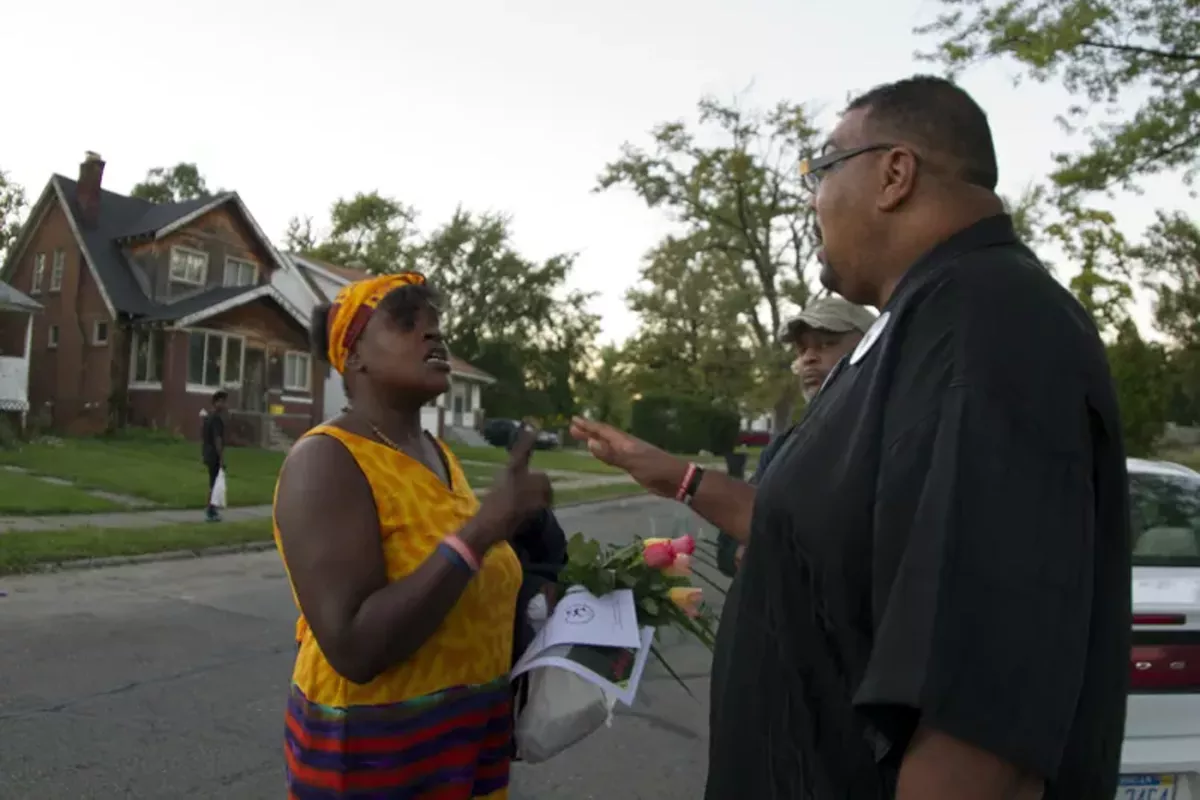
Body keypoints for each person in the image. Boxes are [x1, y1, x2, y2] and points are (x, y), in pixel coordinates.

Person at [571, 75, 1129, 799]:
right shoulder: (916, 324)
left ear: (895, 174)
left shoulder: (991, 323)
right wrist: (672, 474)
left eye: (822, 168)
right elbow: (815, 536)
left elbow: (979, 713)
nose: (812, 198)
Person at [272, 272, 552, 799]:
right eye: (406, 323)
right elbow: (354, 648)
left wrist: (556, 597)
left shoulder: (438, 454)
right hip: (373, 763)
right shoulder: (326, 459)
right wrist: (482, 531)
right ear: (354, 356)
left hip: (466, 753)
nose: (433, 334)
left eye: (436, 323)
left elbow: (464, 589)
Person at [718, 295, 877, 575]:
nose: (808, 358)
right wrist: (741, 553)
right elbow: (728, 542)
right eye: (802, 349)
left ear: (872, 347)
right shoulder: (783, 446)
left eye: (826, 344)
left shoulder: (891, 437)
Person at [200, 390, 227, 522]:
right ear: (215, 402)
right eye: (221, 402)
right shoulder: (216, 419)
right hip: (214, 455)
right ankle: (211, 510)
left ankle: (211, 509)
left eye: (224, 402)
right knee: (214, 484)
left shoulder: (208, 417)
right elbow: (217, 439)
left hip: (207, 453)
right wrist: (221, 458)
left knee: (213, 482)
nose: (224, 404)